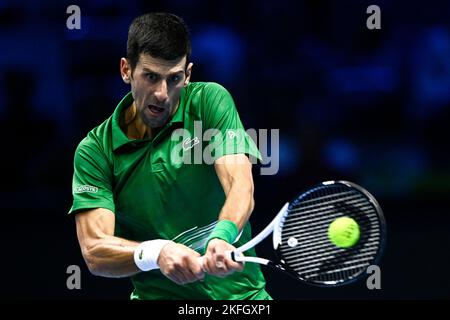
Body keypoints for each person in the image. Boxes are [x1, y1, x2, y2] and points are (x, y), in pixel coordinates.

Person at [69, 12, 271, 300]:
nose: (162, 93)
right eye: (150, 77)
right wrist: (156, 252)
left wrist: (222, 235)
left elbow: (241, 185)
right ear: (126, 70)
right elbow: (95, 250)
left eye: (174, 78)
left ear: (187, 75)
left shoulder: (209, 102)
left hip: (244, 301)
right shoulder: (95, 151)